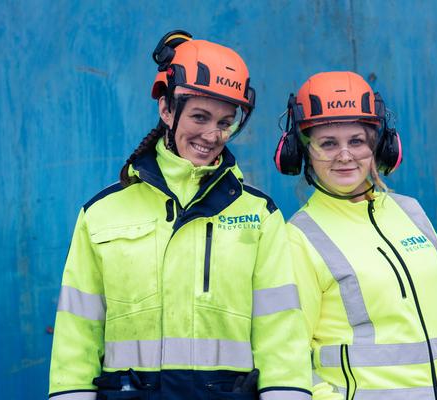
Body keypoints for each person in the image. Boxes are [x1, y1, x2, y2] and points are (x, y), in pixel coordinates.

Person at [49, 30, 312, 400]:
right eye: (200, 116)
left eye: (225, 122)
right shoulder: (101, 214)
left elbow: (281, 333)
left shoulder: (259, 215)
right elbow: (76, 334)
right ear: (167, 109)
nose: (212, 134)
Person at [274, 71, 437, 399]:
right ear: (302, 152)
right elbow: (288, 351)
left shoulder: (410, 212)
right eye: (328, 143)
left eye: (356, 141)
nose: (344, 155)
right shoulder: (299, 238)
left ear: (381, 145)